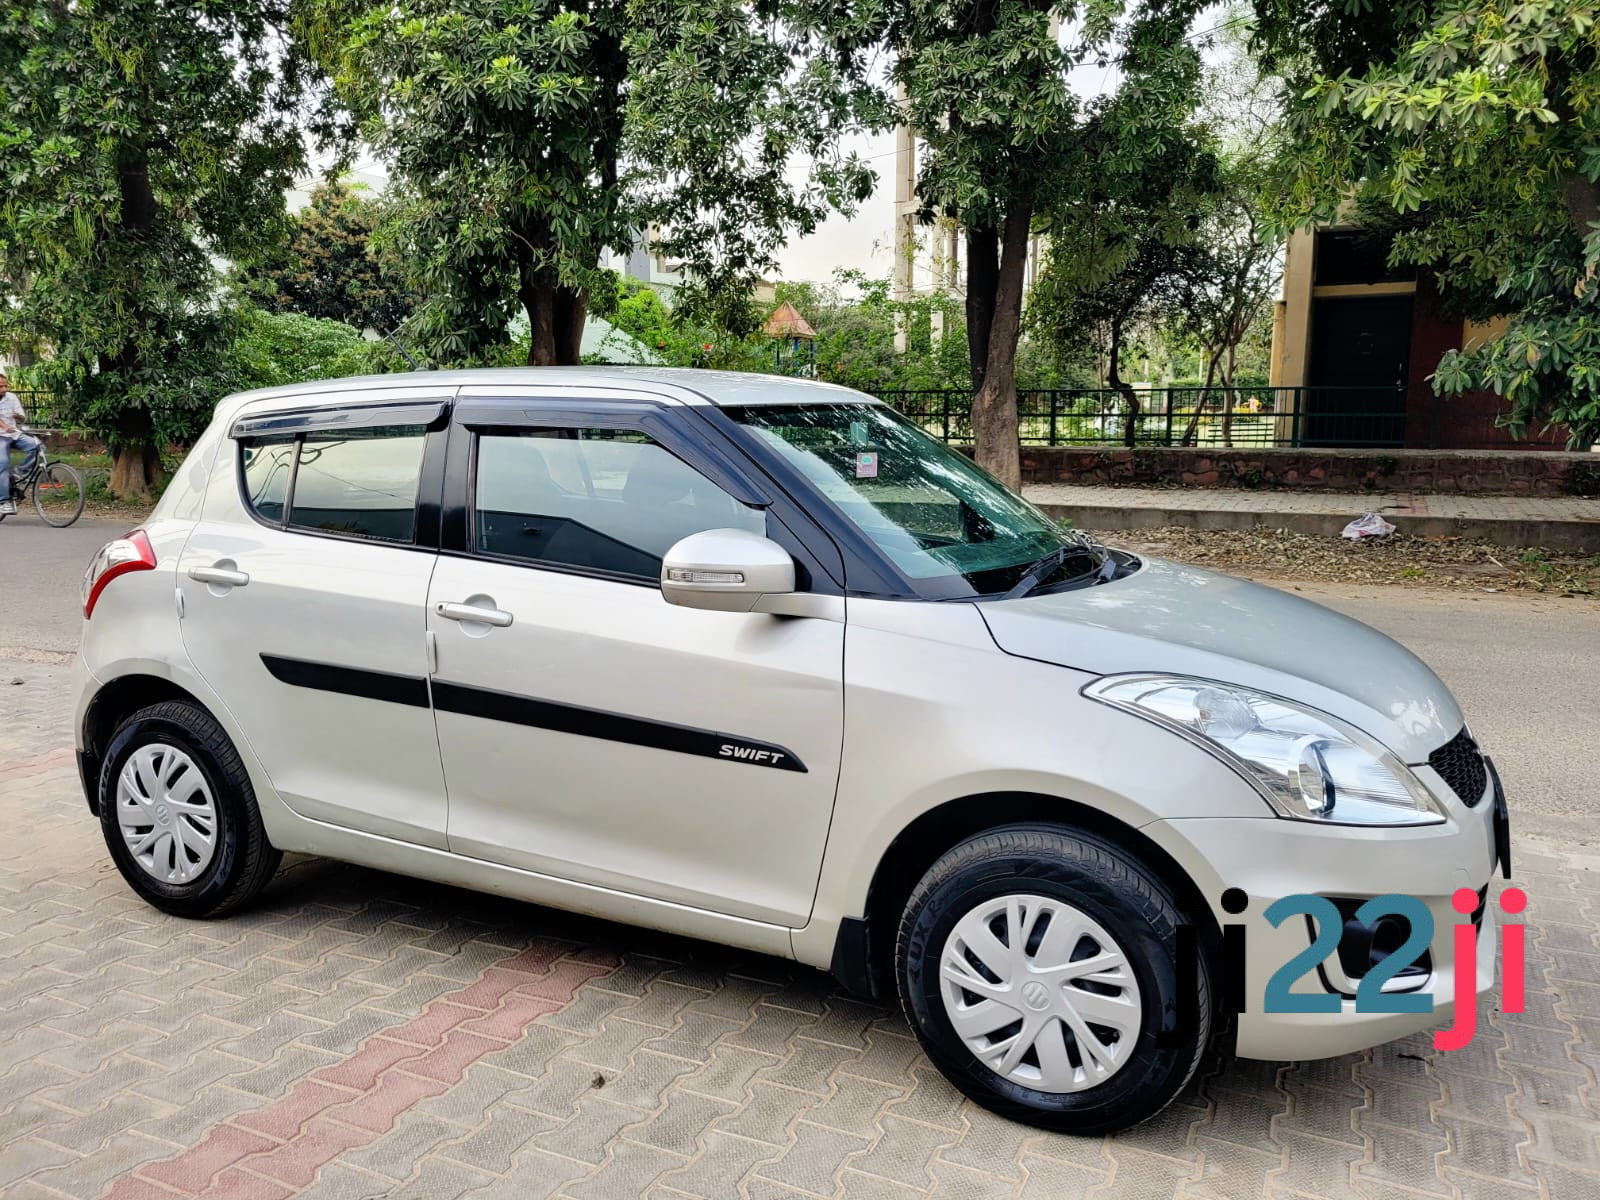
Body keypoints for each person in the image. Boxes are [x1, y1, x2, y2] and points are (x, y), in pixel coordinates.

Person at [0, 374, 42, 516]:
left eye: (5, 385)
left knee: (37, 446)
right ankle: (4, 502)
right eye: (0, 386)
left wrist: (16, 416)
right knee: (3, 464)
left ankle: (20, 472)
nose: (4, 389)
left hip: (14, 434)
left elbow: (22, 418)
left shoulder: (11, 398)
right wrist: (4, 426)